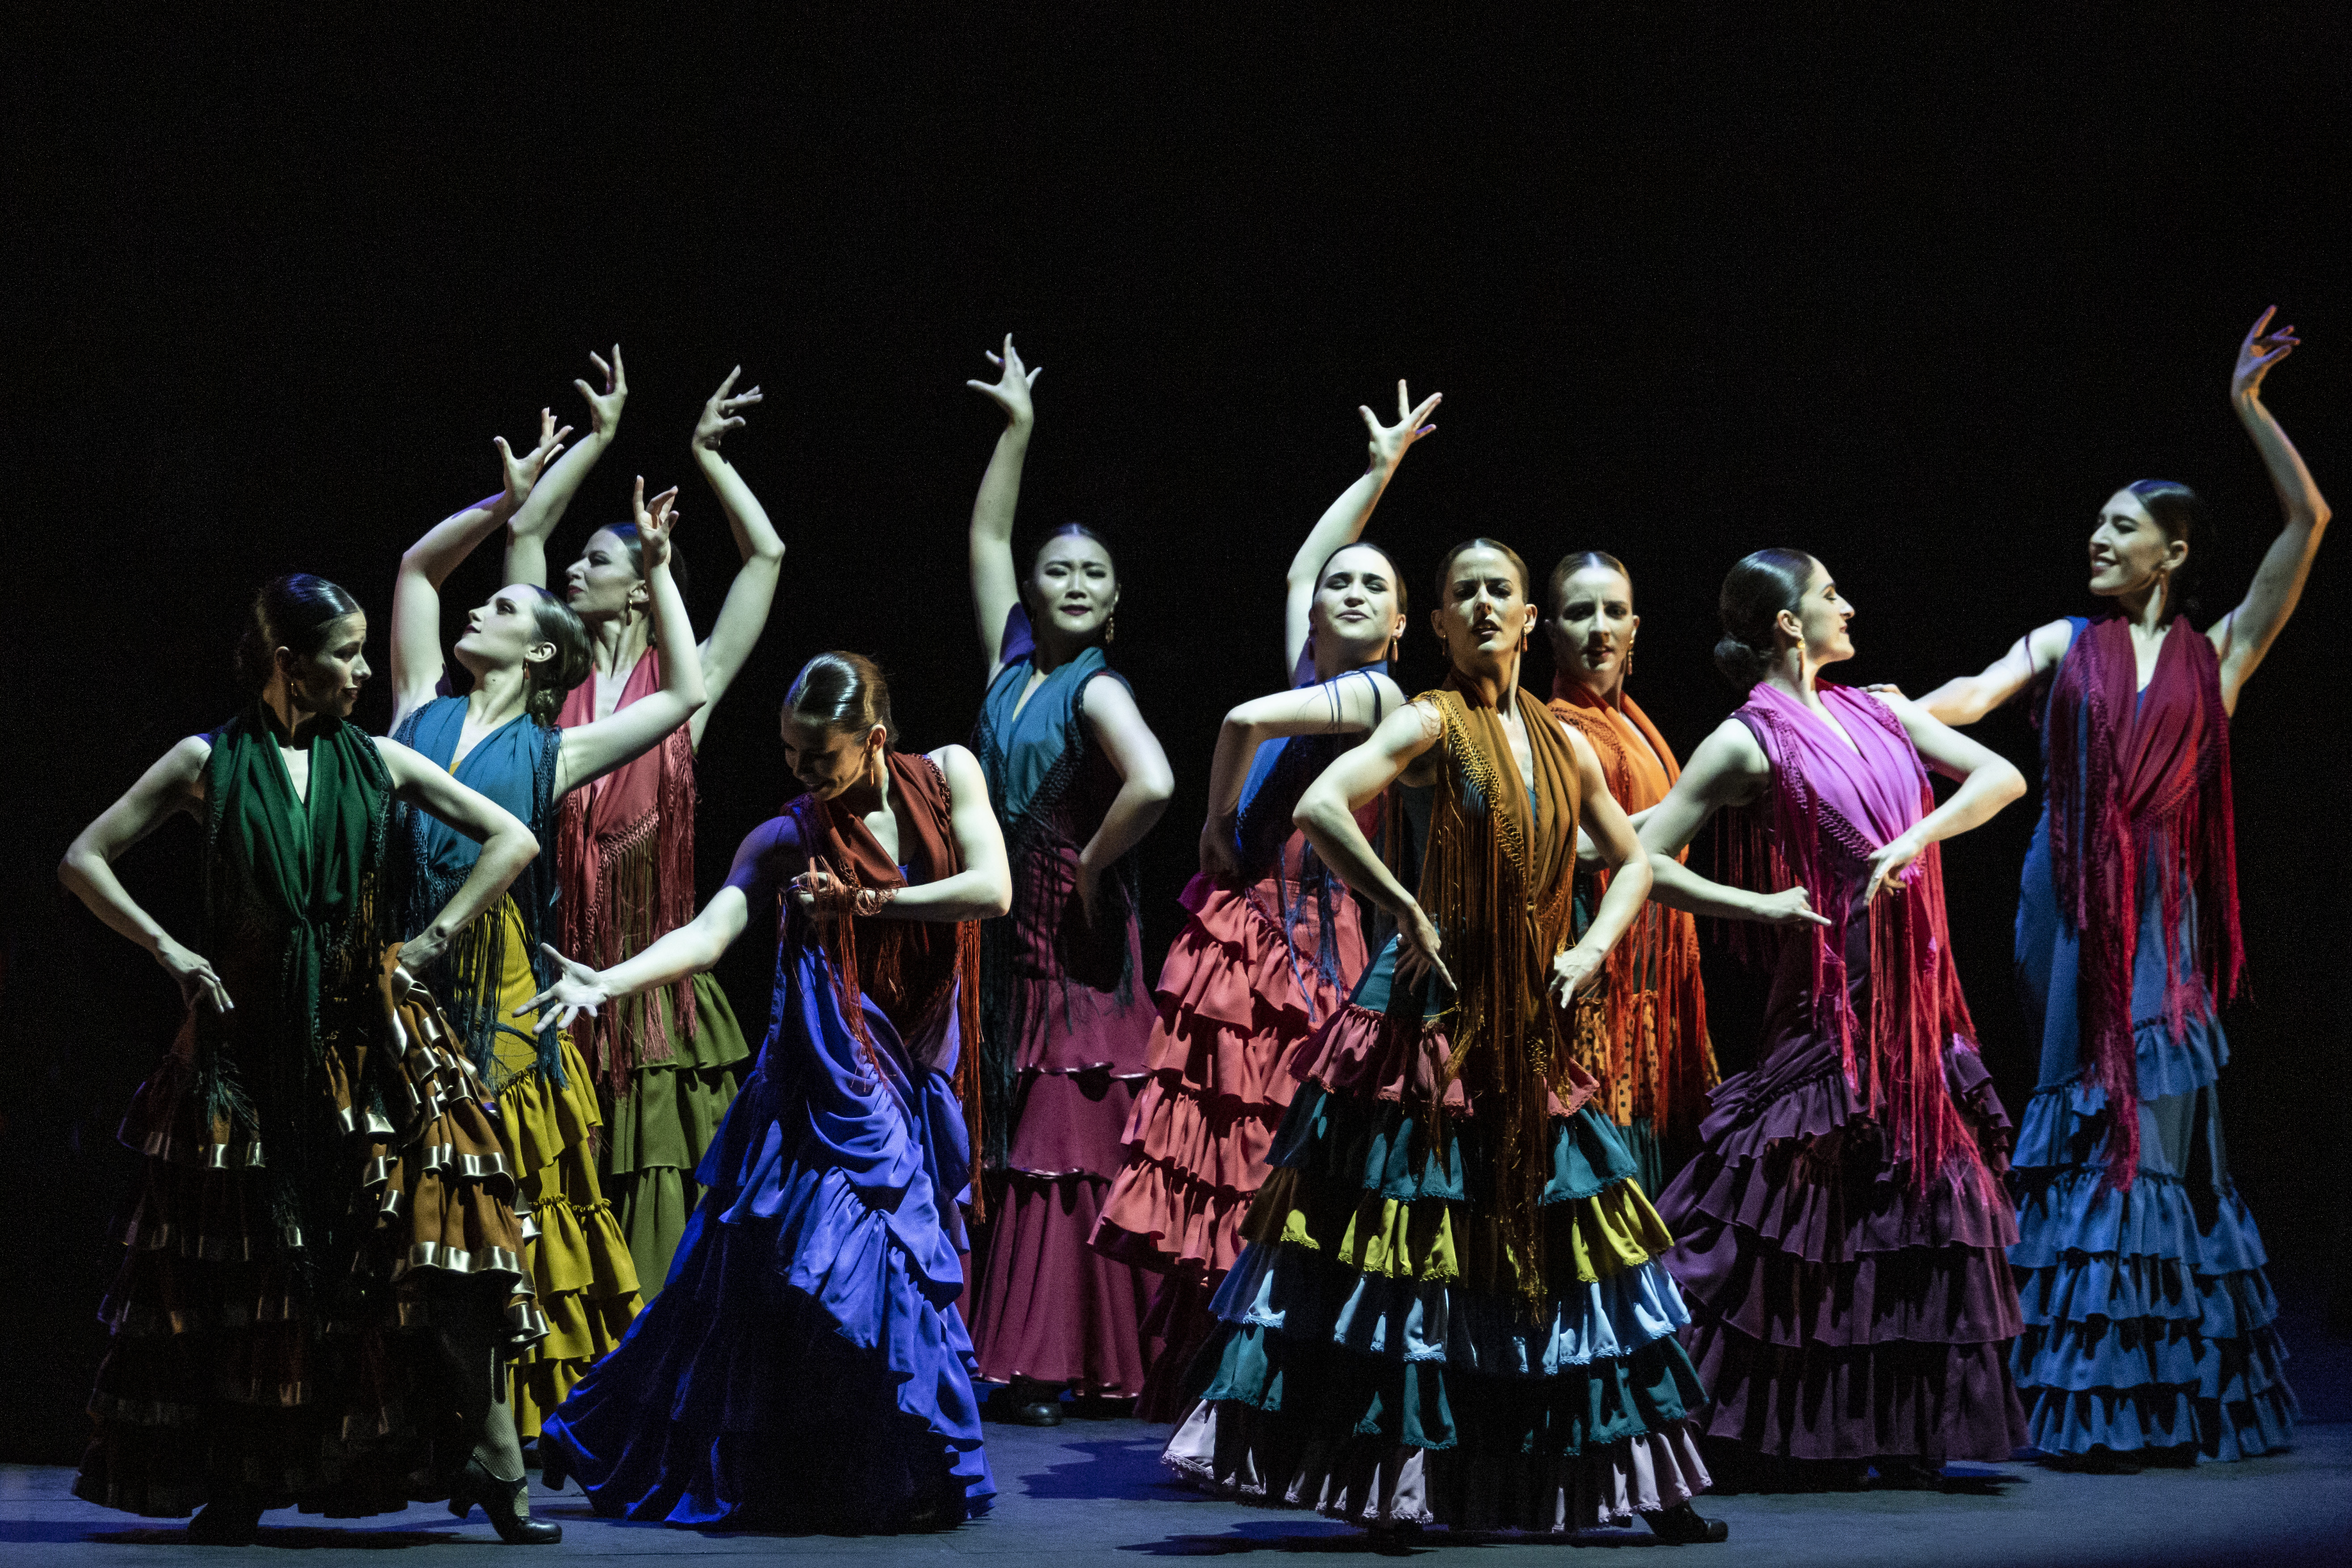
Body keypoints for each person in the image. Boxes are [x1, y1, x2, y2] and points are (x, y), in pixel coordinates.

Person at [1168, 538, 1727, 1543]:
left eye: (1498, 592)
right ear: (1436, 623)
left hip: (1539, 1015)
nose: (1480, 606)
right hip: (1427, 1017)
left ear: (1525, 619)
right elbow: (1319, 805)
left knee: (1574, 1235)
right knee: (1414, 1243)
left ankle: (1639, 1482)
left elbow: (1635, 861)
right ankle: (1399, 1481)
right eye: (1461, 593)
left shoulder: (1560, 742)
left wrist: (1595, 949)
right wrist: (1401, 906)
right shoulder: (1429, 719)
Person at [63, 566, 558, 1545]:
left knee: (438, 1233)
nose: (364, 672)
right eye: (345, 655)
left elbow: (512, 841)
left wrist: (432, 943)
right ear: (290, 665)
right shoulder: (206, 760)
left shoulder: (376, 760)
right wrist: (170, 951)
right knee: (254, 1260)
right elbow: (84, 857)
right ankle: (249, 1470)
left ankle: (499, 1461)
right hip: (247, 1042)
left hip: (365, 1031)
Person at [1909, 309, 2324, 1465]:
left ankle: (2149, 1388)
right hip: (2069, 904)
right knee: (2082, 1117)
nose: (2098, 535)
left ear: (2174, 553)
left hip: (2164, 917)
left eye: (2123, 524)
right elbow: (1968, 696)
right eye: (2097, 520)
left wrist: (2250, 410)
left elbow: (2312, 520)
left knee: (2154, 1123)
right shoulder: (2061, 641)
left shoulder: (2222, 653)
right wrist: (1860, 707)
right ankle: (2080, 1392)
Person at [527, 653, 1010, 1530]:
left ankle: (856, 1465)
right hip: (836, 1064)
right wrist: (609, 981)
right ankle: (877, 1469)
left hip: (920, 1047)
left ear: (871, 741)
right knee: (864, 1258)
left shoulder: (949, 776)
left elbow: (990, 890)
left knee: (773, 1269)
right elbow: (713, 931)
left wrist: (864, 902)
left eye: (819, 757)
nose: (802, 772)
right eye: (790, 753)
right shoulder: (790, 832)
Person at [1640, 549, 2028, 1486]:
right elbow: (1645, 855)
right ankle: (1705, 1410)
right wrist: (1759, 906)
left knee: (1904, 1206)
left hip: (1914, 999)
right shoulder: (1748, 739)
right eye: (1826, 596)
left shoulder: (1882, 708)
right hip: (1828, 996)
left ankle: (1881, 1425)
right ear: (1784, 622)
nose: (1846, 607)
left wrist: (1913, 839)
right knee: (1785, 1204)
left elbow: (2000, 777)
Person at [1092, 381, 1439, 1420]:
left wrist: (1209, 825)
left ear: (1399, 621)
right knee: (1218, 1146)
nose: (1345, 593)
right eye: (1340, 586)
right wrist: (1379, 473)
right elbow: (1299, 565)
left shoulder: (1378, 696)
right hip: (1240, 935)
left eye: (1371, 587)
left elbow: (1242, 717)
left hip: (1304, 947)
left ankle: (1273, 1385)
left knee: (1267, 1151)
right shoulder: (1313, 667)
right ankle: (1214, 1375)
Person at [389, 423, 707, 1444]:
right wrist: (502, 505)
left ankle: (522, 1423)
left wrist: (656, 573)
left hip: (496, 989)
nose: (479, 605)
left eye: (503, 605)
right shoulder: (412, 711)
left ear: (536, 653)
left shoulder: (552, 750)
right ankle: (411, 1419)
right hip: (398, 971)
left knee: (512, 1187)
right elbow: (415, 567)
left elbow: (687, 693)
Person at [499, 351, 784, 1299]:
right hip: (556, 954)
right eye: (579, 560)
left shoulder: (682, 692)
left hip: (650, 970)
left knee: (655, 1171)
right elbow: (527, 532)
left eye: (598, 561)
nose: (574, 569)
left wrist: (710, 462)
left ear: (635, 586)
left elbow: (767, 559)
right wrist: (599, 439)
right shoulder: (545, 680)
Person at [959, 336, 1175, 1420]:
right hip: (1008, 940)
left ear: (1115, 599)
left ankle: (1063, 1357)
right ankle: (1053, 1351)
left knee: (1070, 1142)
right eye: (1060, 570)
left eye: (1094, 573)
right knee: (1019, 1131)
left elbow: (1156, 782)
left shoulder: (1098, 688)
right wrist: (1018, 431)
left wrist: (1092, 865)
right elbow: (989, 532)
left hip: (1076, 943)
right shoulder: (1009, 664)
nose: (1074, 582)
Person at [1543, 551, 1720, 1194]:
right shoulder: (1561, 729)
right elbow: (1581, 851)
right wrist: (1693, 801)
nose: (1599, 628)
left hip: (1657, 978)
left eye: (1614, 611)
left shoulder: (1630, 722)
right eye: (1579, 612)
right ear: (1549, 629)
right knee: (1613, 1168)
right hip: (1605, 979)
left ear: (1636, 627)